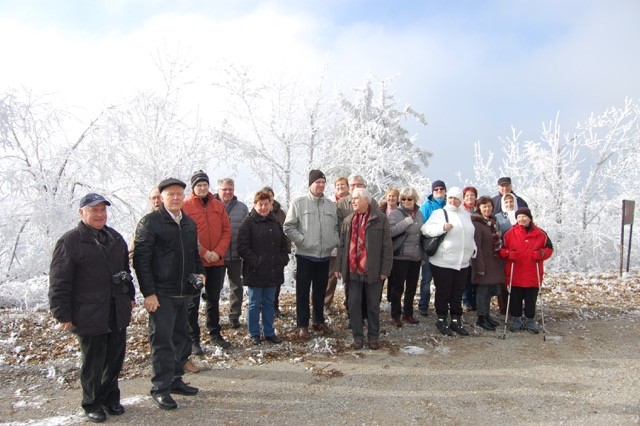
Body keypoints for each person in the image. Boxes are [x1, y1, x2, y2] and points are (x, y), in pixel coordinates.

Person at [49, 193, 135, 423]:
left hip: (116, 309)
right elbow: (59, 281)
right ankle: (91, 402)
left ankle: (110, 398)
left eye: (102, 210)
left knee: (115, 359)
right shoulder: (70, 241)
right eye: (93, 210)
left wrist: (131, 295)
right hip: (88, 312)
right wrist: (62, 313)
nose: (99, 215)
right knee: (93, 362)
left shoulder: (115, 238)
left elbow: (126, 272)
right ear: (81, 213)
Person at [133, 178, 206, 410]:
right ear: (161, 197)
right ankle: (161, 388)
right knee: (162, 342)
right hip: (161, 294)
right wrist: (149, 293)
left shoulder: (188, 223)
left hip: (184, 293)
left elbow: (194, 254)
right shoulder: (150, 223)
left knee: (180, 339)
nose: (176, 198)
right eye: (171, 194)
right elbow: (141, 262)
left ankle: (175, 381)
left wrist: (200, 273)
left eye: (179, 194)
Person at [284, 169, 339, 339]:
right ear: (311, 184)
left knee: (320, 290)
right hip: (306, 255)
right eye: (317, 182)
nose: (321, 185)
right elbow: (289, 227)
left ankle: (319, 320)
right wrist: (303, 240)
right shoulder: (299, 203)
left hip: (324, 256)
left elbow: (336, 228)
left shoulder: (331, 205)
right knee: (302, 291)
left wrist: (333, 241)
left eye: (323, 182)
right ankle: (302, 325)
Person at [335, 188, 393, 349]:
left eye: (355, 198)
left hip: (373, 271)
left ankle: (373, 337)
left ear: (366, 200)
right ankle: (357, 337)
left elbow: (387, 247)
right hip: (353, 271)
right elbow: (341, 246)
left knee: (373, 305)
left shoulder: (380, 219)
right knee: (353, 304)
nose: (352, 201)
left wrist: (385, 270)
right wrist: (338, 266)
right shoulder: (348, 220)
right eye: (352, 199)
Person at [183, 170, 232, 352]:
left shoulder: (218, 206)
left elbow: (227, 231)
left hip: (217, 262)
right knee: (193, 302)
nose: (202, 188)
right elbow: (187, 235)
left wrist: (217, 252)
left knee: (213, 299)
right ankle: (193, 339)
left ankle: (215, 334)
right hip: (197, 262)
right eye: (199, 185)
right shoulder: (186, 207)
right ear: (193, 187)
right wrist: (203, 252)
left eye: (205, 185)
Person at [421, 187, 476, 336]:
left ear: (460, 200)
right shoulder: (440, 213)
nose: (453, 201)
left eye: (456, 198)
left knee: (457, 292)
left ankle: (456, 321)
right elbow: (425, 229)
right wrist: (441, 227)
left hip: (462, 262)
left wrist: (473, 249)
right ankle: (441, 319)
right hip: (443, 261)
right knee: (443, 292)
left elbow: (470, 234)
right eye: (450, 198)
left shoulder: (466, 215)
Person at [238, 190, 289, 345]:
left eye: (266, 204)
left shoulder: (275, 222)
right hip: (255, 271)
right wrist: (257, 261)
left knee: (269, 302)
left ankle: (269, 332)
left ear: (270, 204)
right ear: (255, 205)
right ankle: (254, 333)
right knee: (254, 303)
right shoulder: (248, 222)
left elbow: (283, 243)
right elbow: (242, 247)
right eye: (260, 204)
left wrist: (282, 258)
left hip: (273, 270)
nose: (263, 207)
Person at [499, 207, 553, 333]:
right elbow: (500, 249)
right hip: (515, 272)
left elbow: (549, 249)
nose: (521, 219)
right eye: (519, 217)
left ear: (529, 218)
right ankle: (517, 319)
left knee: (531, 299)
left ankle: (530, 320)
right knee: (515, 298)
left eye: (524, 216)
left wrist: (541, 254)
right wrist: (508, 254)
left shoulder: (541, 234)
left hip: (532, 273)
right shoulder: (509, 233)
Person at [214, 178, 249, 330]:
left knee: (237, 287)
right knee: (215, 288)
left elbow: (248, 230)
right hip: (217, 256)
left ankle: (234, 316)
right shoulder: (211, 206)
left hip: (236, 254)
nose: (228, 192)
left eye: (231, 189)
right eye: (225, 189)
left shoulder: (242, 208)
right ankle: (214, 318)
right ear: (219, 190)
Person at [387, 187, 424, 327]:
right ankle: (395, 315)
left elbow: (422, 233)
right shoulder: (395, 213)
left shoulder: (419, 214)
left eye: (409, 198)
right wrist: (405, 222)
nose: (406, 201)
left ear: (414, 199)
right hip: (400, 257)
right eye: (403, 199)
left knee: (412, 287)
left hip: (415, 256)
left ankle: (408, 313)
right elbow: (389, 232)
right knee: (397, 288)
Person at [470, 196, 505, 331]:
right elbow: (476, 246)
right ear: (479, 207)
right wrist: (479, 265)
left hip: (493, 262)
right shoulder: (477, 224)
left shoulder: (492, 222)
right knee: (482, 291)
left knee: (490, 291)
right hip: (483, 261)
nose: (487, 209)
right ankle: (481, 317)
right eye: (484, 206)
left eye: (489, 206)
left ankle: (487, 315)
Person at [417, 179, 447, 317]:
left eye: (441, 189)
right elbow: (422, 227)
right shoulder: (426, 206)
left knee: (442, 279)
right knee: (426, 279)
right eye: (436, 190)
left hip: (446, 248)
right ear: (432, 191)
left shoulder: (449, 204)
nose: (439, 192)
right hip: (430, 247)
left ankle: (441, 305)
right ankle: (423, 305)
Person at [261, 186, 291, 317]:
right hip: (262, 254)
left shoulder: (280, 213)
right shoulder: (257, 211)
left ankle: (274, 306)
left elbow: (286, 233)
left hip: (278, 253)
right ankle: (262, 306)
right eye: (266, 196)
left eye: (270, 196)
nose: (269, 199)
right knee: (262, 281)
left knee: (277, 281)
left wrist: (286, 251)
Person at [324, 177, 350, 311]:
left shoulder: (353, 201)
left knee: (350, 278)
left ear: (348, 186)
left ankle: (350, 305)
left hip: (350, 246)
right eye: (338, 185)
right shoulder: (329, 202)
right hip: (333, 246)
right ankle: (326, 304)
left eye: (343, 184)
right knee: (331, 277)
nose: (340, 187)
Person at [495, 192, 518, 314]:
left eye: (511, 201)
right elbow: (496, 235)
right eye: (506, 202)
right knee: (503, 282)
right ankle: (504, 308)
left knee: (517, 281)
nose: (509, 204)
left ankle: (516, 306)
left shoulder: (521, 215)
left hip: (519, 255)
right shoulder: (498, 217)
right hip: (504, 254)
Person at [461, 186, 478, 311]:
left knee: (475, 274)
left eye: (472, 195)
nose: (470, 197)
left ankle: (475, 300)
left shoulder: (479, 210)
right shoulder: (461, 210)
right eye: (467, 195)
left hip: (477, 245)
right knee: (465, 275)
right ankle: (466, 300)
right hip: (465, 245)